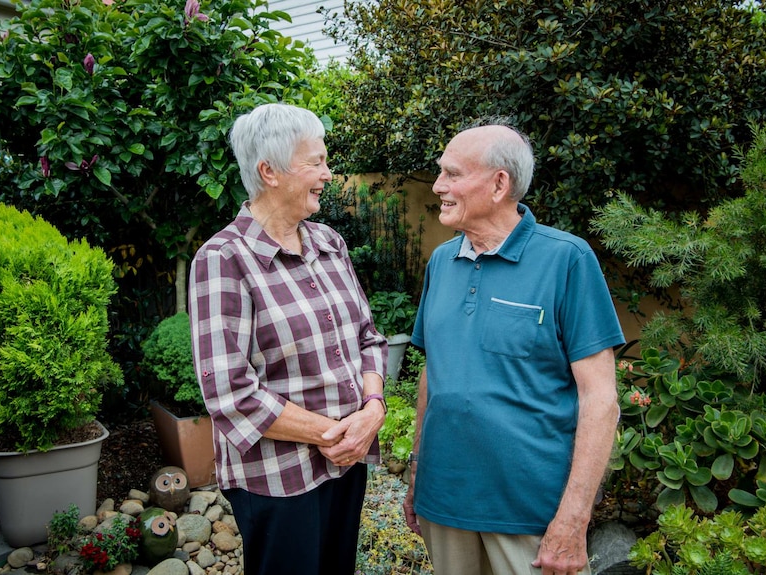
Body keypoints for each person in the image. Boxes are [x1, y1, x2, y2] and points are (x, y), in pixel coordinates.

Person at [403, 121, 625, 575]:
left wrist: (574, 518)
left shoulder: (567, 259)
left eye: (452, 174)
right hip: (444, 504)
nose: (439, 186)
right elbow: (434, 373)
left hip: (531, 516)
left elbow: (601, 401)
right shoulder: (442, 262)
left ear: (499, 183)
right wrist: (416, 472)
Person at [188, 103, 388, 575]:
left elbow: (368, 337)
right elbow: (230, 393)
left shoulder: (328, 243)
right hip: (277, 479)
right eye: (315, 162)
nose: (328, 173)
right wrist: (335, 432)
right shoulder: (224, 259)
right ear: (269, 172)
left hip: (345, 462)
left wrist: (373, 409)